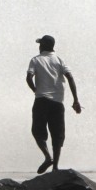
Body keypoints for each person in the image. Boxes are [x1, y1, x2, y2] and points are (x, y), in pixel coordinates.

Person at [26, 34, 81, 173]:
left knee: (38, 132)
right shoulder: (59, 60)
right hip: (57, 103)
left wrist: (35, 91)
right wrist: (76, 100)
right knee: (57, 135)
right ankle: (55, 167)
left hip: (41, 101)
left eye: (40, 44)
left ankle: (47, 157)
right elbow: (70, 77)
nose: (39, 47)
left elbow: (28, 77)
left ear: (43, 46)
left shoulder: (36, 60)